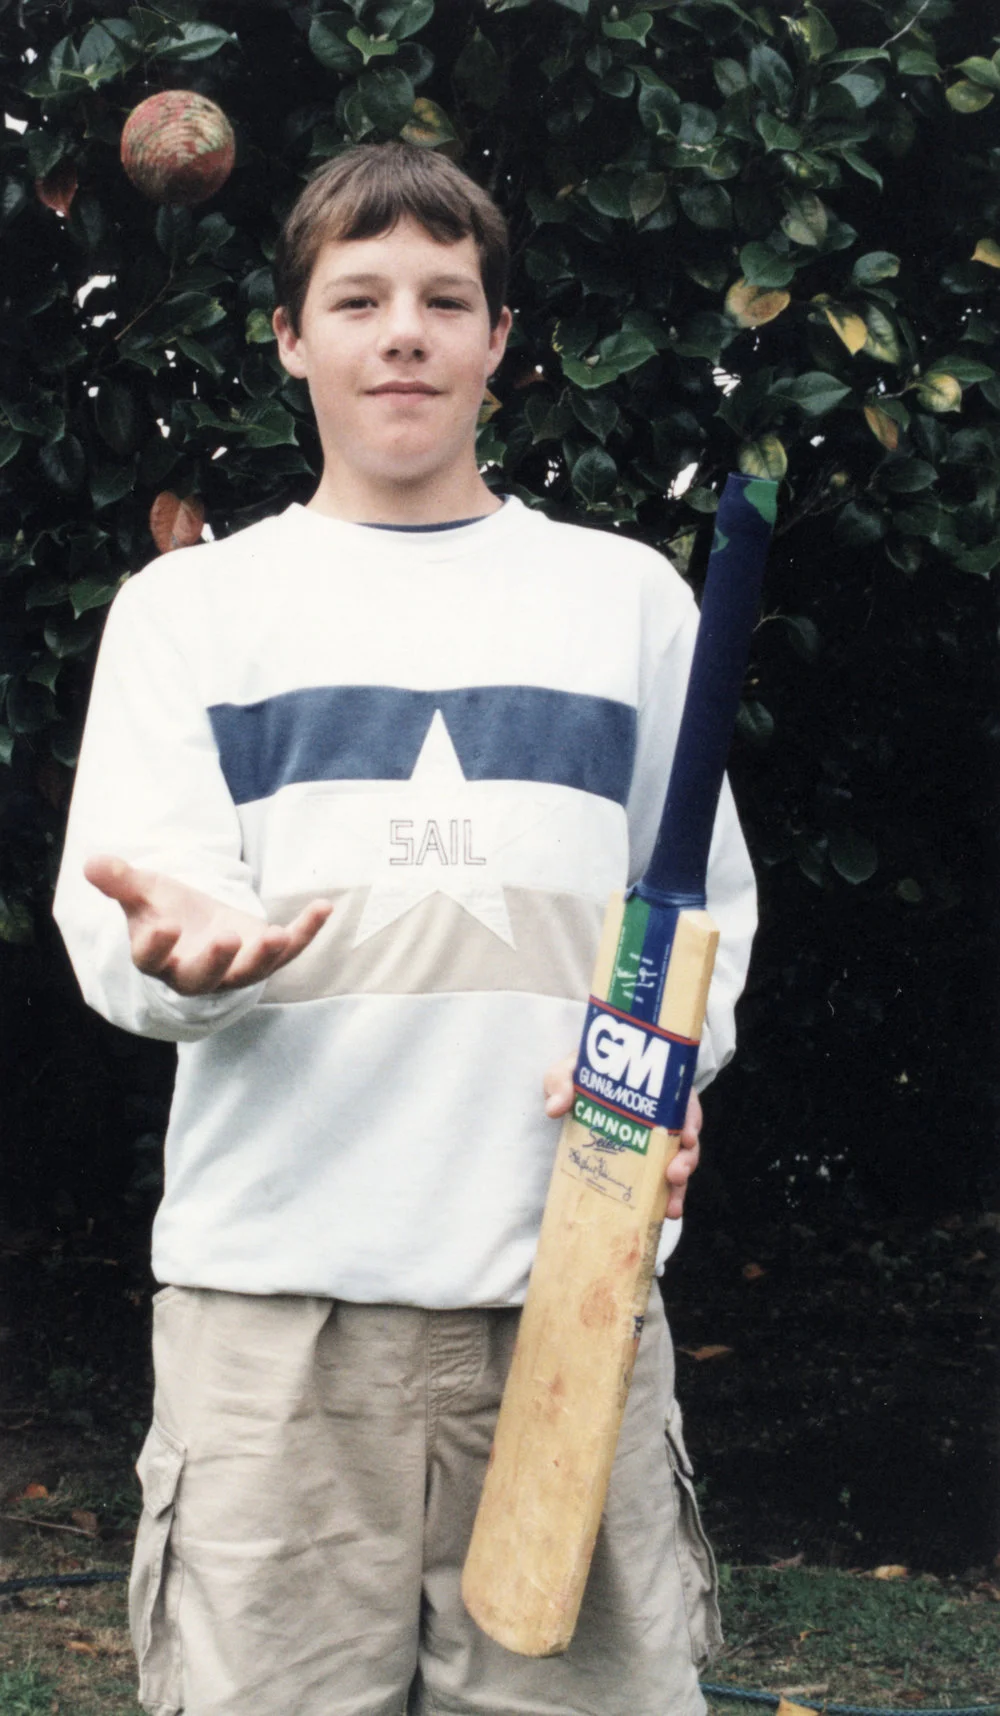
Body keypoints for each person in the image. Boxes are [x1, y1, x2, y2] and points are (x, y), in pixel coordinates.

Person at [53, 142, 756, 1716]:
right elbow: (126, 913)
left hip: (567, 1294)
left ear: (501, 338)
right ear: (291, 337)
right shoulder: (191, 615)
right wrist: (177, 966)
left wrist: (670, 1064)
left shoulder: (628, 597)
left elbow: (699, 913)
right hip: (275, 1323)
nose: (406, 332)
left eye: (448, 298)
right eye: (357, 297)